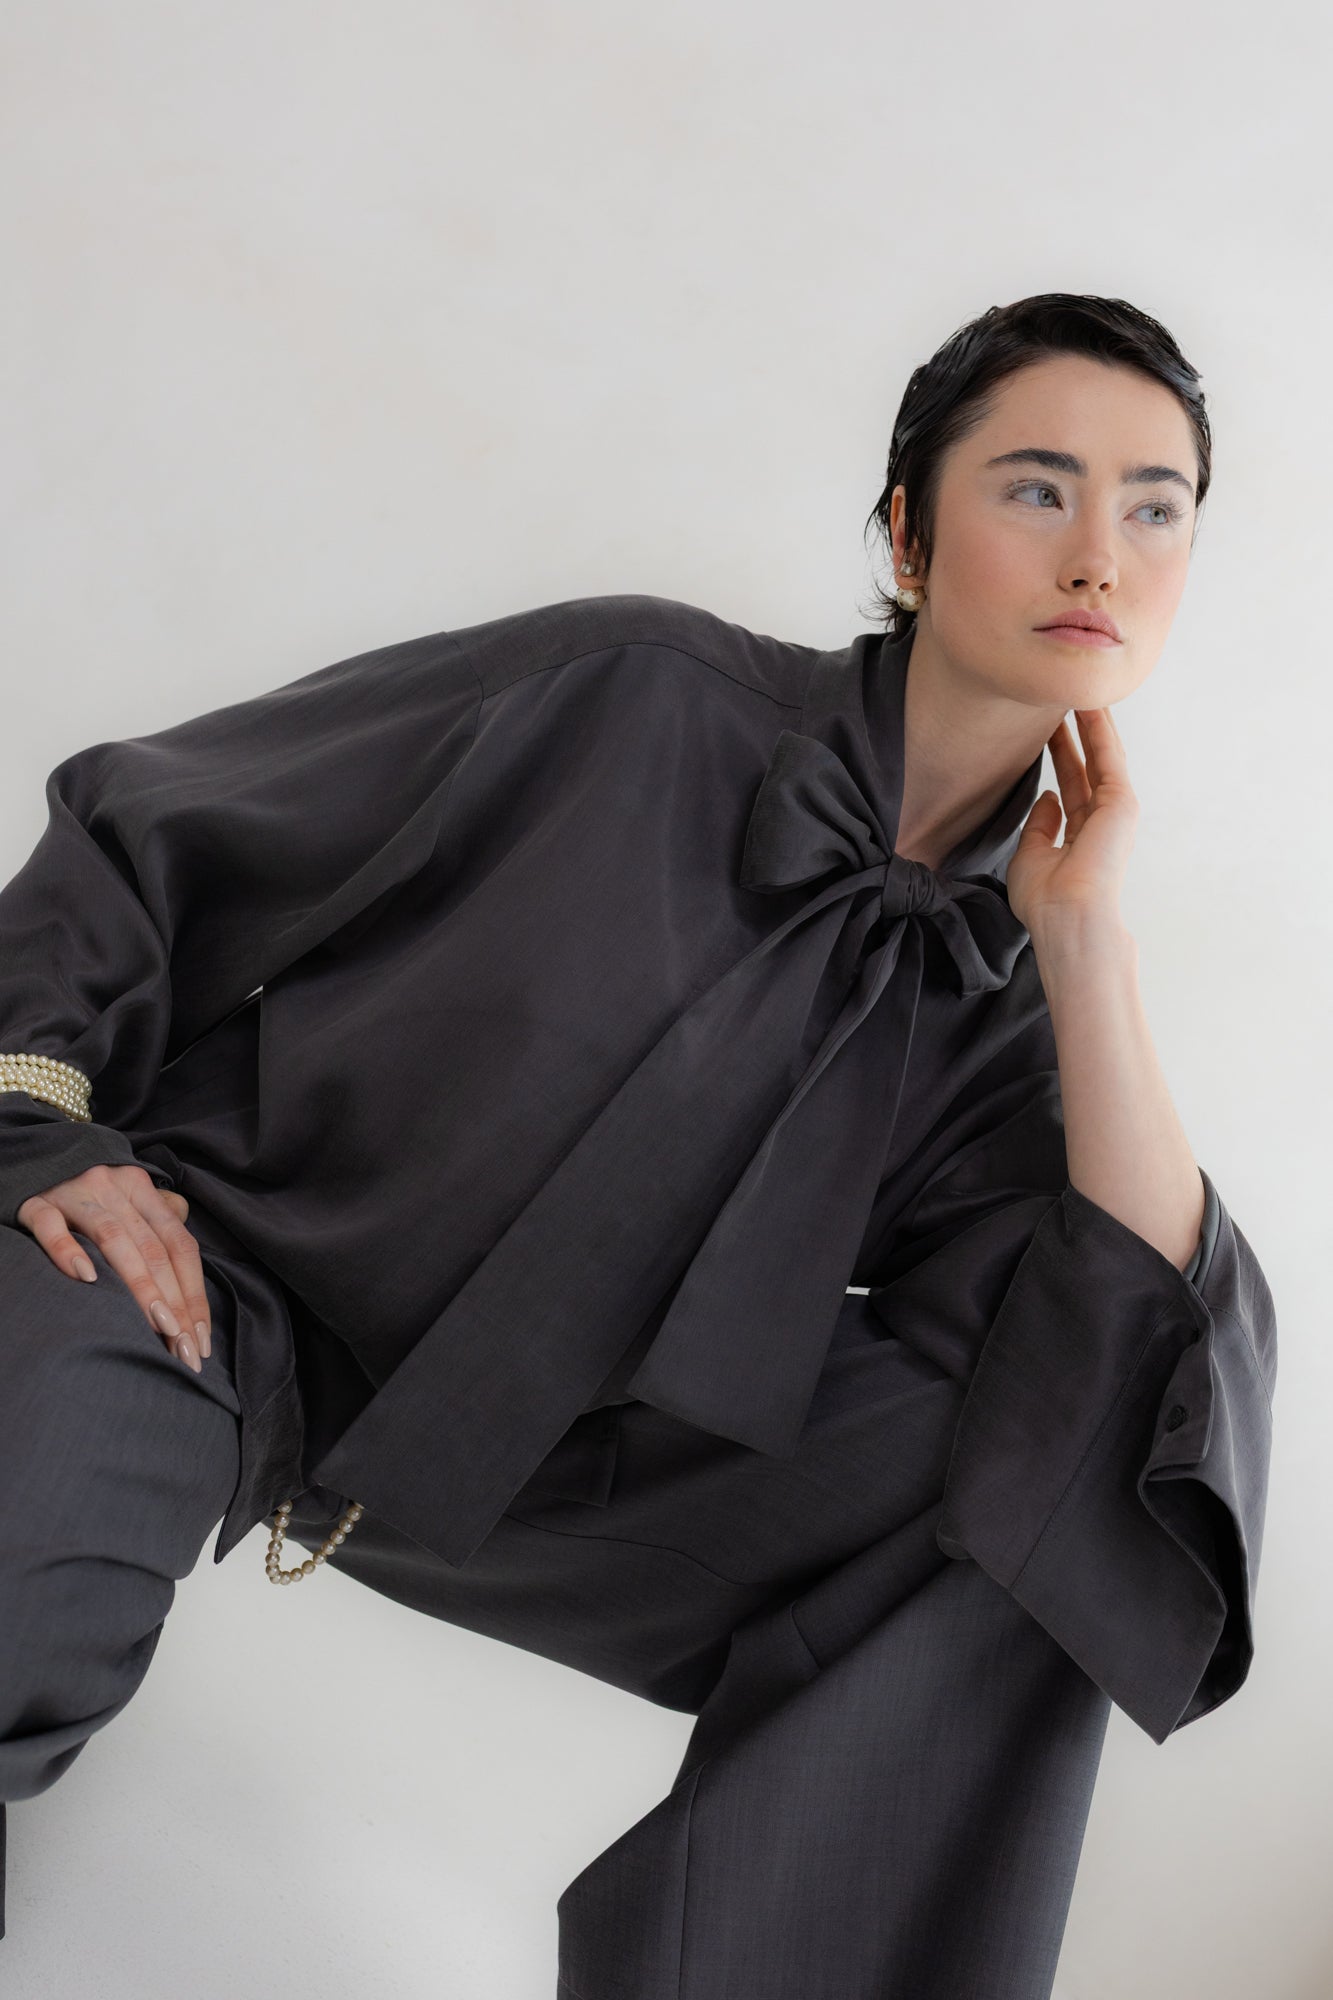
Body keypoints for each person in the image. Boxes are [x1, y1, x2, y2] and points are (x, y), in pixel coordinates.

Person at [0, 292, 1277, 1998]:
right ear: (907, 535)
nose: (1098, 557)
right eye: (1036, 488)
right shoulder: (626, 688)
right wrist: (33, 1125)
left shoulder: (1010, 983)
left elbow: (1124, 1360)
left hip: (560, 1460)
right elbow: (146, 833)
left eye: (1155, 508)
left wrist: (1086, 939)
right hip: (201, 1289)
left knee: (1045, 1525)